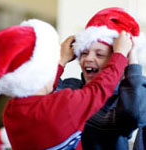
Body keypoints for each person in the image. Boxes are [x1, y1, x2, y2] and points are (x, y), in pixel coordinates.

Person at [0, 19, 130, 150]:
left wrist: (62, 61)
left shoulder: (11, 111)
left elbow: (40, 96)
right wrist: (120, 54)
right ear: (40, 71)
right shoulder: (65, 105)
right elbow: (99, 89)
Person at [55, 7, 146, 150]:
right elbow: (42, 94)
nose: (89, 58)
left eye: (99, 55)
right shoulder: (71, 88)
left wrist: (131, 58)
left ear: (120, 59)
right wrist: (61, 60)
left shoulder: (124, 99)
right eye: (84, 53)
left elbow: (134, 116)